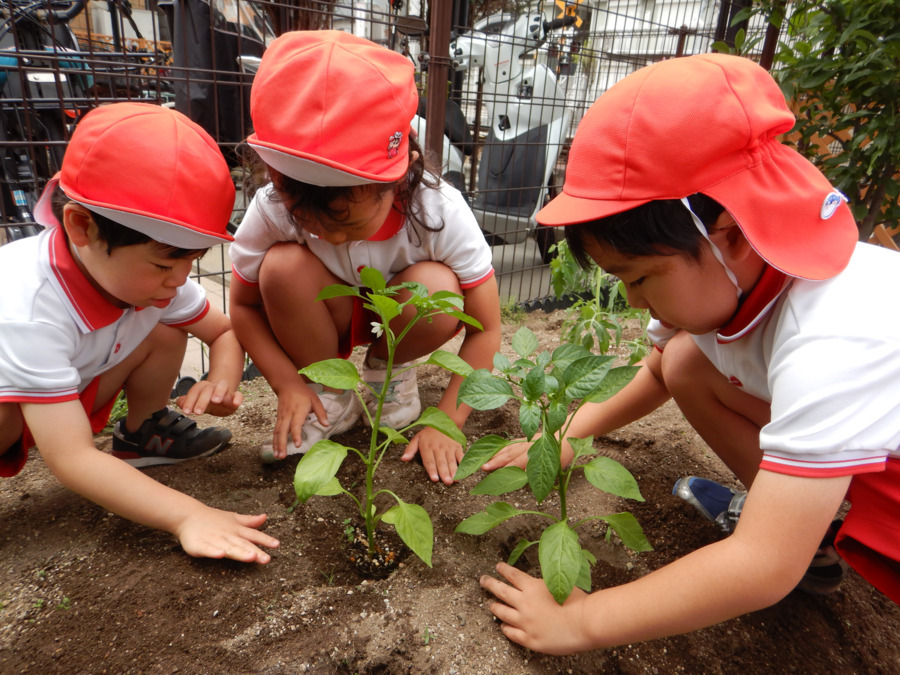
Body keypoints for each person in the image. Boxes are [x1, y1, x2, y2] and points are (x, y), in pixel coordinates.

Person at [478, 53, 900, 653]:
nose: (629, 298)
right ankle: (818, 527)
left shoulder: (836, 332)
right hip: (874, 457)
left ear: (726, 231)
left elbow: (761, 567)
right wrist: (569, 433)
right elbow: (660, 368)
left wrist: (582, 621)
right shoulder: (733, 280)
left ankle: (802, 526)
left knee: (774, 543)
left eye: (640, 277)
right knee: (683, 362)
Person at [0, 102, 279, 564]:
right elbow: (71, 458)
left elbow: (223, 331)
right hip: (12, 414)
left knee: (165, 325)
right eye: (164, 263)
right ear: (81, 225)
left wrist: (222, 377)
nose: (179, 280)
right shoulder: (27, 307)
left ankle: (141, 434)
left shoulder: (150, 284)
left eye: (190, 262)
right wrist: (187, 515)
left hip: (64, 389)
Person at [229, 30, 501, 484]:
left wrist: (446, 420)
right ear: (277, 180)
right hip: (321, 314)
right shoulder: (274, 205)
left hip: (399, 320)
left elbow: (487, 326)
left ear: (400, 176)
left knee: (438, 288)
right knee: (280, 268)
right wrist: (289, 383)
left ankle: (386, 374)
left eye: (348, 223)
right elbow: (242, 305)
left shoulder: (439, 210)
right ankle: (328, 395)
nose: (328, 237)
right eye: (307, 221)